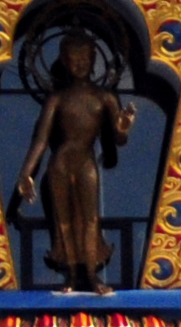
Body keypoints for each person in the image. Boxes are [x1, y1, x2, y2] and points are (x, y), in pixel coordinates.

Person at [11, 27, 136, 291]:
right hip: (60, 163)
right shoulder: (57, 99)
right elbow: (41, 141)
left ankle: (91, 276)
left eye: (84, 59)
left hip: (86, 162)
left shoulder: (105, 98)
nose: (79, 64)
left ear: (93, 61)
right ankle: (69, 274)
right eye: (73, 59)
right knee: (63, 220)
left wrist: (122, 127)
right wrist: (26, 174)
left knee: (90, 219)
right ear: (65, 62)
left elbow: (118, 141)